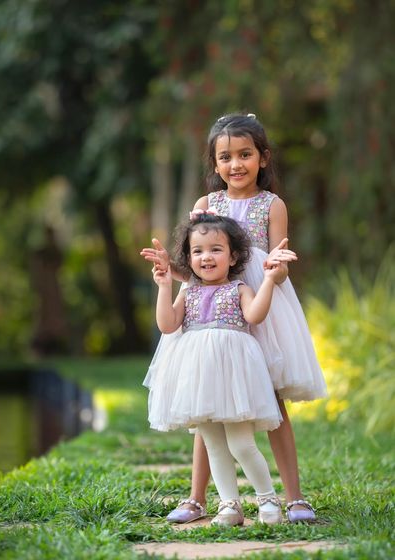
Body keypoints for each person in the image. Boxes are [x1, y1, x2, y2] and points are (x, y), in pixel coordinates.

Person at [141, 113, 327, 523]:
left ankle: (293, 497)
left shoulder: (271, 204)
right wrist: (167, 272)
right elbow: (195, 262)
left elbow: (279, 258)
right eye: (225, 157)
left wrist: (276, 270)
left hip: (259, 302)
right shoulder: (206, 205)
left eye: (245, 154)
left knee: (272, 398)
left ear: (263, 158)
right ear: (215, 163)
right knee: (206, 399)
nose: (235, 164)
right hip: (207, 307)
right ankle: (197, 497)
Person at [147, 211, 291, 526]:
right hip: (199, 377)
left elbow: (255, 315)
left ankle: (267, 499)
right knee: (213, 443)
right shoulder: (188, 292)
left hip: (234, 376)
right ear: (188, 258)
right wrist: (163, 286)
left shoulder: (240, 289)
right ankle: (229, 505)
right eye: (197, 251)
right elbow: (168, 325)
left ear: (233, 255)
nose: (206, 257)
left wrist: (267, 279)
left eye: (215, 249)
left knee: (241, 443)